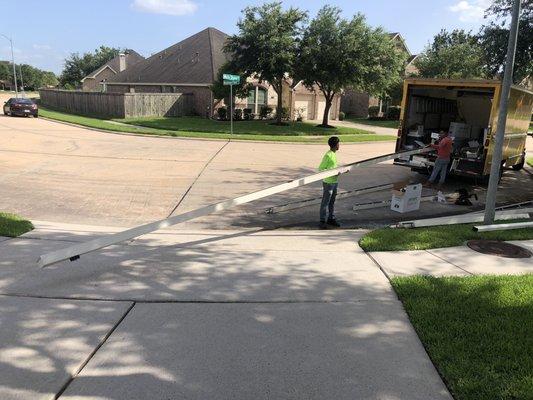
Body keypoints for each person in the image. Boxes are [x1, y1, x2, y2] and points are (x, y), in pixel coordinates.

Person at [318, 136, 342, 229]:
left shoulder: (334, 154)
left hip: (335, 182)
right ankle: (322, 220)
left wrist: (340, 171)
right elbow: (321, 169)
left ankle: (331, 218)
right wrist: (333, 172)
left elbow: (333, 168)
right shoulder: (328, 155)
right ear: (335, 145)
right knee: (325, 202)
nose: (339, 145)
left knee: (332, 202)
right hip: (328, 183)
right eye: (338, 144)